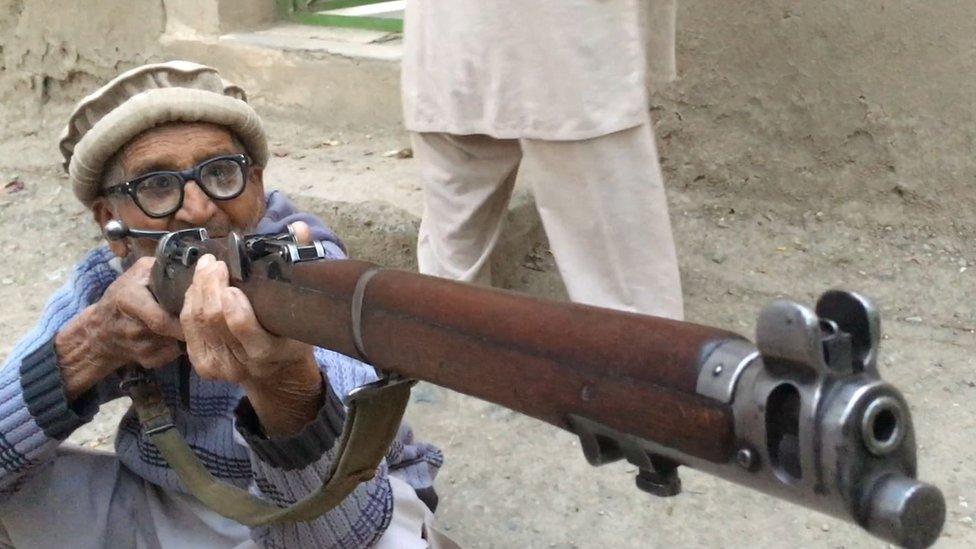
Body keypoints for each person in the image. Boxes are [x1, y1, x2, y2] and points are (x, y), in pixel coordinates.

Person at [0, 61, 448, 548]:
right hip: (170, 501)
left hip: (338, 512)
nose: (198, 208)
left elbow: (337, 532)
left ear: (254, 185)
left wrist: (284, 386)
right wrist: (92, 346)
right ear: (111, 221)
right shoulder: (108, 288)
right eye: (156, 184)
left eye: (219, 172)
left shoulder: (309, 276)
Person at [402, 0, 685, 319]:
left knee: (452, 272)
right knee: (625, 293)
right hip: (567, 42)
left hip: (451, 38)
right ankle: (646, 365)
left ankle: (450, 360)